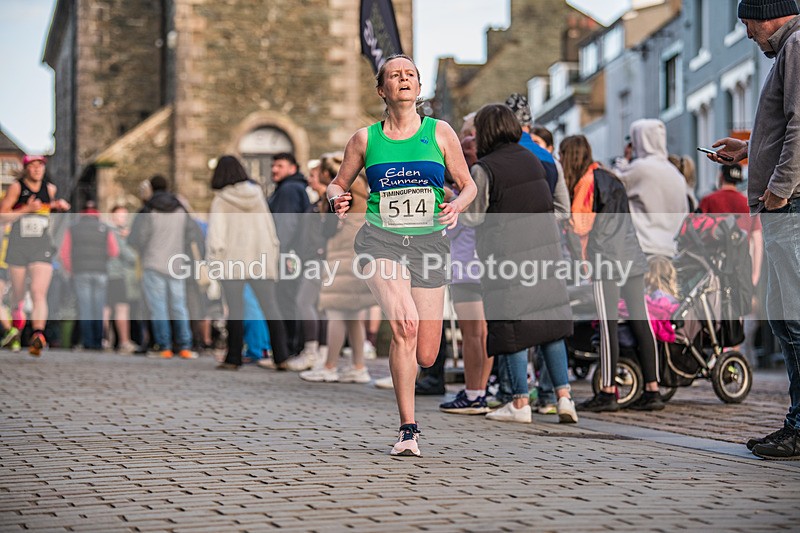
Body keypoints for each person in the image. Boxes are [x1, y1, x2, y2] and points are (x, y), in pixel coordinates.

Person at [326, 54, 476, 457]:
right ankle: (408, 429)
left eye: (410, 74)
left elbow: (469, 185)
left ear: (419, 87)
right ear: (382, 90)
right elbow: (337, 183)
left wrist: (458, 204)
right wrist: (337, 199)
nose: (403, 79)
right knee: (405, 325)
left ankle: (412, 395)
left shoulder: (440, 132)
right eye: (394, 75)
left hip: (429, 243)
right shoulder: (364, 139)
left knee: (427, 352)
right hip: (381, 241)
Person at [708, 0, 800, 460]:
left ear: (768, 15)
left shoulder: (797, 45)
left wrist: (780, 191)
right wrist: (744, 149)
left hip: (790, 205)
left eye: (746, 22)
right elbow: (783, 129)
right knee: (785, 319)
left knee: (793, 319)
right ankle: (796, 424)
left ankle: (799, 427)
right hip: (784, 203)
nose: (746, 32)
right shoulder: (789, 50)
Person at [461, 103, 578, 425]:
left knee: (510, 326)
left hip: (505, 255)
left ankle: (519, 403)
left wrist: (454, 199)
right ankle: (565, 398)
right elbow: (562, 209)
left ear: (485, 131)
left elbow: (474, 218)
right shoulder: (537, 158)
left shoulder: (484, 168)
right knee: (550, 324)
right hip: (545, 252)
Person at [560, 135, 663, 412]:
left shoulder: (586, 182)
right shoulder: (613, 178)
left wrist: (581, 260)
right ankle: (653, 389)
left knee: (607, 325)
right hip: (632, 255)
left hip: (605, 259)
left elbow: (579, 226)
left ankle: (608, 390)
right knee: (641, 321)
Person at [205, 155, 290, 371]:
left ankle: (233, 358)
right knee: (271, 308)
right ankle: (281, 356)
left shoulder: (221, 200)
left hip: (232, 260)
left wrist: (213, 262)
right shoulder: (257, 195)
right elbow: (270, 229)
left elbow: (216, 235)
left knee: (235, 310)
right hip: (260, 259)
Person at [300, 153, 376, 383]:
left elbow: (330, 227)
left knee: (335, 312)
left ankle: (330, 366)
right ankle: (358, 366)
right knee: (352, 315)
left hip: (342, 253)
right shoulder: (362, 184)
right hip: (358, 251)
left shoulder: (343, 189)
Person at [0, 155, 70, 356]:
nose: (37, 169)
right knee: (19, 295)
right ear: (26, 169)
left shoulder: (50, 189)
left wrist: (58, 206)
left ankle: (38, 334)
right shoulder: (16, 187)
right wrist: (26, 209)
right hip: (18, 246)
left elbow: (46, 210)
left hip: (41, 246)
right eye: (33, 166)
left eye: (40, 165)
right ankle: (15, 332)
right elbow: (3, 215)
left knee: (39, 292)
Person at [127, 175, 197, 359]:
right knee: (179, 306)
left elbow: (139, 237)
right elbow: (191, 233)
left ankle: (164, 346)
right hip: (177, 262)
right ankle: (184, 346)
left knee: (158, 307)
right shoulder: (180, 208)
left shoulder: (149, 209)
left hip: (153, 261)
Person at [615, 119, 688, 258]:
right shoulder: (676, 175)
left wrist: (624, 160)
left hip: (644, 246)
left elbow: (615, 186)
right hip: (671, 249)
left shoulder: (640, 168)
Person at [60, 201, 119, 350]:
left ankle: (88, 342)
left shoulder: (73, 228)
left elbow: (64, 252)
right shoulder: (105, 228)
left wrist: (70, 269)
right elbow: (114, 251)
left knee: (85, 308)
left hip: (80, 272)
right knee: (98, 308)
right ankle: (98, 341)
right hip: (100, 271)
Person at [269, 152, 311, 357]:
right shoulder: (295, 187)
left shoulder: (288, 190)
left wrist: (281, 253)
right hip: (295, 254)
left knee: (286, 299)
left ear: (292, 168)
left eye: (280, 166)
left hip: (288, 255)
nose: (274, 169)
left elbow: (286, 224)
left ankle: (289, 349)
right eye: (273, 166)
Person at [104, 205, 138, 354]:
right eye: (120, 216)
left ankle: (106, 340)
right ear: (112, 216)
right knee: (121, 308)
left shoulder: (106, 230)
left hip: (107, 273)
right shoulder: (114, 232)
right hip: (117, 274)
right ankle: (123, 341)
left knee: (107, 309)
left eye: (125, 216)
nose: (123, 219)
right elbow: (125, 254)